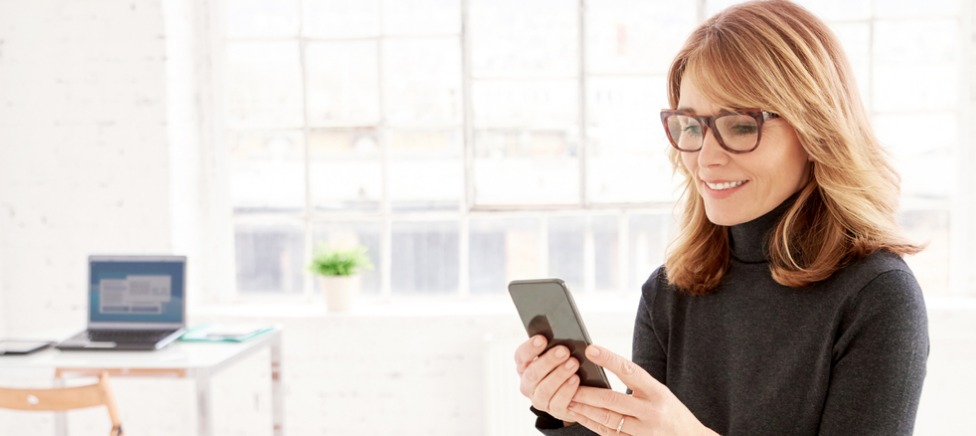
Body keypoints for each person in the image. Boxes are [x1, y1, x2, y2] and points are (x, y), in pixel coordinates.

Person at [513, 1, 930, 435]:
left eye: (740, 125)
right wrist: (569, 412)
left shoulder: (878, 296)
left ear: (816, 130)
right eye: (691, 126)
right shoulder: (669, 291)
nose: (706, 158)